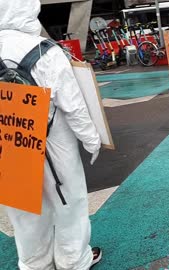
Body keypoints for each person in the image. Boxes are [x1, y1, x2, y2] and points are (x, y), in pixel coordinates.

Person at [0, 0, 103, 269]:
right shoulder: (45, 51)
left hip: (8, 143)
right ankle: (73, 260)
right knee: (69, 201)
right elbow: (73, 105)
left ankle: (35, 263)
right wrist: (91, 139)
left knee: (23, 208)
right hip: (54, 143)